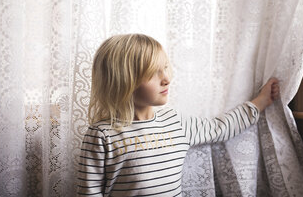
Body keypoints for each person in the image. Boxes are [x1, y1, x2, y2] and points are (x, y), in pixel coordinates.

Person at [77, 34, 280, 196]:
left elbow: (221, 127)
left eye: (164, 68)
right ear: (123, 81)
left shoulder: (175, 123)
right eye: (152, 72)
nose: (166, 79)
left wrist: (260, 102)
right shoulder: (101, 135)